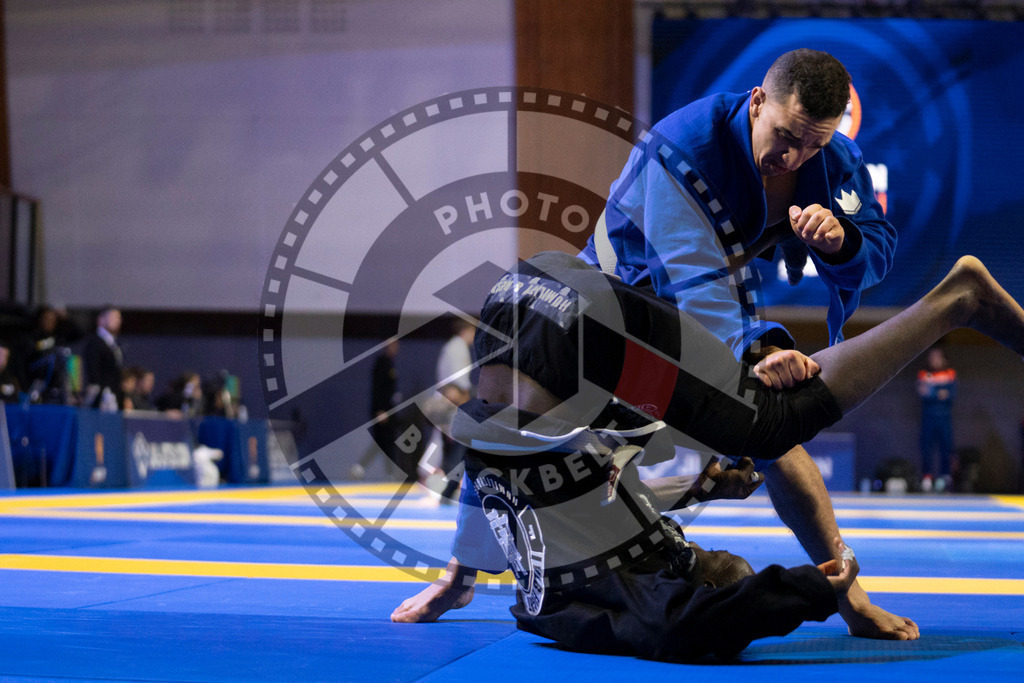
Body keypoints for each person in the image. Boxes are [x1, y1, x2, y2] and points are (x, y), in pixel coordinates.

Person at [395, 49, 908, 640]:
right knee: (526, 417)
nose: (793, 157)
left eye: (813, 145)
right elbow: (691, 282)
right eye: (787, 136)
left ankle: (850, 598)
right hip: (611, 315)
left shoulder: (833, 157)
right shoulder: (684, 147)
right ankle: (461, 576)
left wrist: (843, 243)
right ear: (758, 101)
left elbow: (876, 248)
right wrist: (758, 350)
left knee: (765, 441)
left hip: (653, 320)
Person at [395, 249, 1024, 658]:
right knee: (733, 409)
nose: (726, 557)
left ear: (694, 580)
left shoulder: (624, 599)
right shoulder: (556, 590)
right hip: (523, 300)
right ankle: (759, 354)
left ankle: (957, 300)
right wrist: (457, 579)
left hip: (572, 339)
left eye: (724, 566)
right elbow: (496, 481)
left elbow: (690, 626)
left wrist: (810, 589)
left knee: (776, 422)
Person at [350, 340, 409, 480]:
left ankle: (365, 467)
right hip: (382, 411)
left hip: (389, 410)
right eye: (393, 345)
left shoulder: (390, 363)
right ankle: (381, 471)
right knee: (384, 442)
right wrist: (380, 410)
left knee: (384, 443)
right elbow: (377, 388)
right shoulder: (381, 363)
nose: (396, 348)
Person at [431, 320, 476, 500]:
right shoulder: (458, 348)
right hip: (453, 404)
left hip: (447, 403)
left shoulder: (451, 347)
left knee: (449, 449)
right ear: (467, 330)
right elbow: (458, 384)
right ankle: (448, 488)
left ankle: (447, 488)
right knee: (458, 449)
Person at [917, 346, 957, 491]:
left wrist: (932, 391)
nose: (934, 360)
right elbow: (923, 393)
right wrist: (939, 393)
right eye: (932, 357)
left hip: (944, 418)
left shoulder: (950, 373)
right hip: (928, 417)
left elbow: (951, 394)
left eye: (937, 357)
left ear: (943, 359)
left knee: (946, 448)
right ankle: (927, 477)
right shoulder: (924, 374)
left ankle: (945, 477)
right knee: (926, 448)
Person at [81, 306, 124, 409]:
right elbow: (93, 372)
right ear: (101, 319)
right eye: (113, 317)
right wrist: (101, 394)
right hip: (102, 399)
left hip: (114, 395)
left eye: (119, 318)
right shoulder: (95, 343)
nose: (118, 321)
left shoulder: (113, 343)